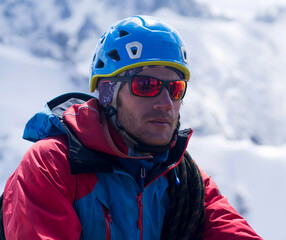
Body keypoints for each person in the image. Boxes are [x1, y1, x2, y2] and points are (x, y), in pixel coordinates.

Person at [1, 15, 262, 240]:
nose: (165, 103)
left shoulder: (185, 178)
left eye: (175, 88)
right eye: (146, 86)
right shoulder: (52, 165)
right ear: (108, 94)